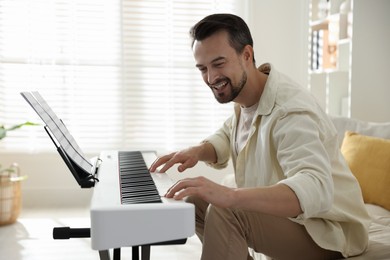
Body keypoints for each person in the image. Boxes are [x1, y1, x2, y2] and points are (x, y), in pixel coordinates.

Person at [149, 13, 370, 260]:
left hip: (328, 231)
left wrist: (229, 195)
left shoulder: (290, 110)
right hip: (294, 222)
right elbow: (229, 133)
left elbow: (316, 187)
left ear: (247, 55)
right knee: (195, 201)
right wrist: (198, 151)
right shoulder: (249, 97)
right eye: (203, 68)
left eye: (218, 63)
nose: (211, 78)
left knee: (227, 210)